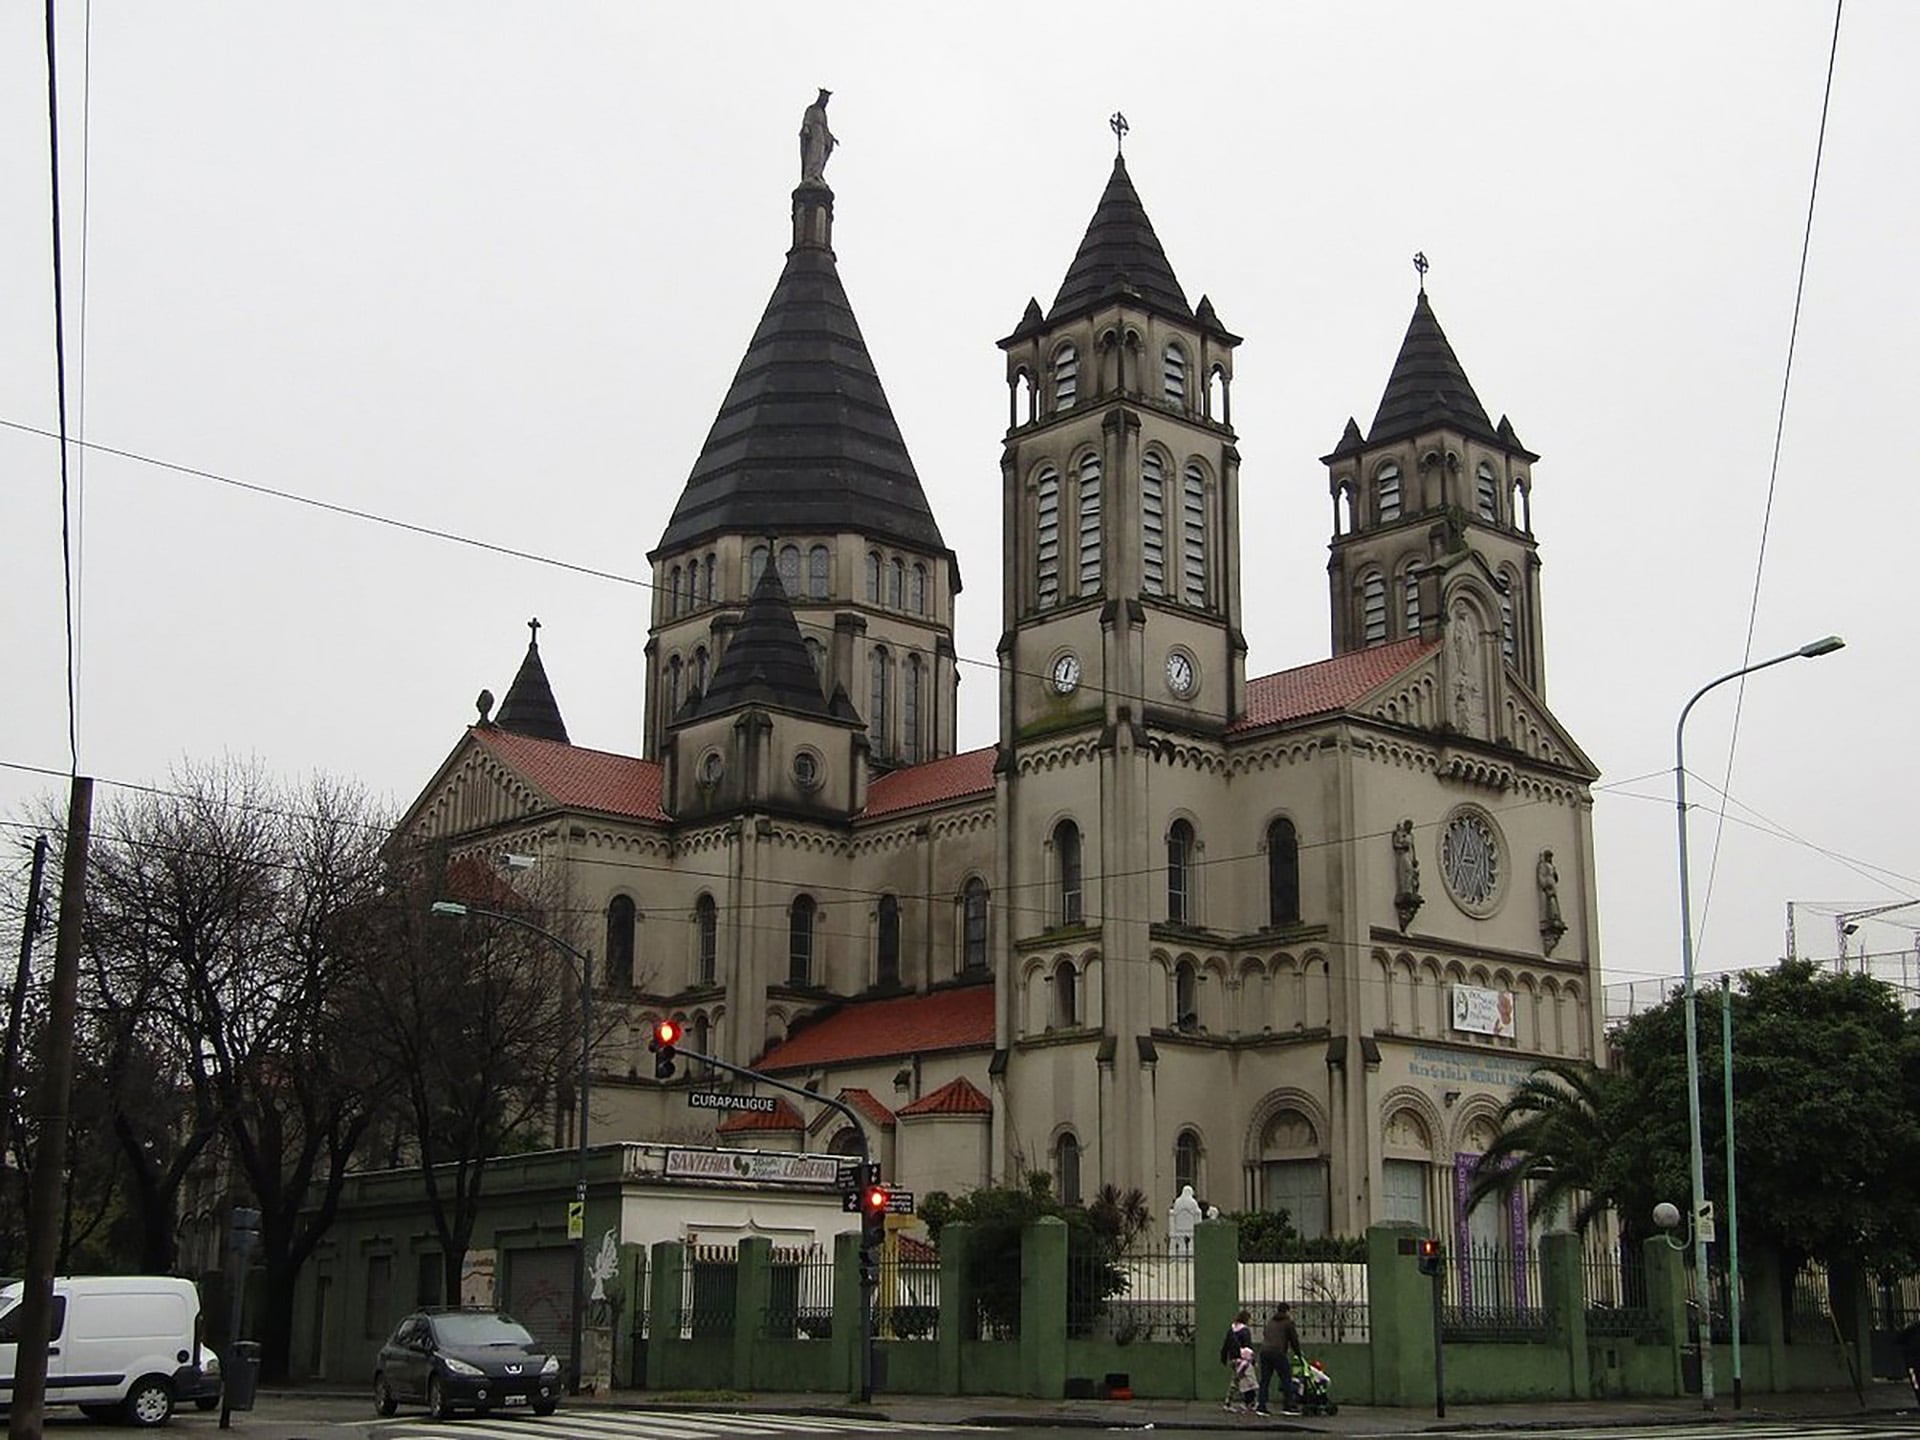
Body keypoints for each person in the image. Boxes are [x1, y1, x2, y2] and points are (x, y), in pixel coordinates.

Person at [1256, 1302, 1304, 1416]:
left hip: (1264, 1351)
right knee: (1286, 1378)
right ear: (1287, 1311)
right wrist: (1298, 1354)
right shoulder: (1288, 1323)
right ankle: (1288, 1405)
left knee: (1265, 1380)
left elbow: (1265, 1334)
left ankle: (1261, 1406)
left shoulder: (1270, 1322)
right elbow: (1294, 1340)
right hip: (1278, 1352)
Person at [1218, 1309, 1254, 1411]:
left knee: (1238, 1381)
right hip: (1243, 1360)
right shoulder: (1245, 1331)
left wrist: (1224, 1357)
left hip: (1233, 1359)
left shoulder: (1232, 1329)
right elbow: (1248, 1347)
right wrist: (1253, 1360)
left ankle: (1231, 1402)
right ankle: (1247, 1403)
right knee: (1248, 1382)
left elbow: (1226, 1344)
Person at [800, 88, 836, 183]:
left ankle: (817, 174)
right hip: (814, 134)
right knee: (813, 154)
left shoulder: (823, 113)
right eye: (825, 100)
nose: (826, 102)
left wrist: (831, 137)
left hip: (821, 136)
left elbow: (825, 127)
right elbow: (807, 121)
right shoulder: (812, 109)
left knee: (820, 155)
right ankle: (811, 174)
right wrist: (806, 128)